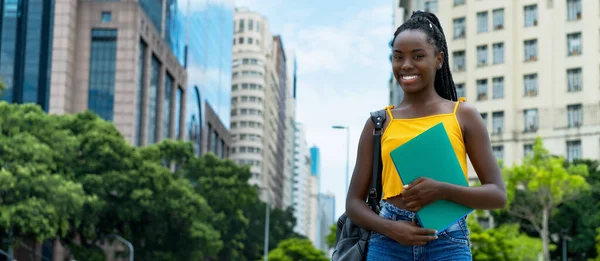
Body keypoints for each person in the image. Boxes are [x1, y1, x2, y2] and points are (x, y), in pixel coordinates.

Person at [345, 10, 507, 261]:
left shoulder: (463, 115)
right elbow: (353, 204)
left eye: (418, 56)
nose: (406, 65)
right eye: (398, 57)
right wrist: (391, 228)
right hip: (388, 242)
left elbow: (497, 195)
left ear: (439, 59)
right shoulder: (378, 123)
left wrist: (442, 190)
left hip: (448, 242)